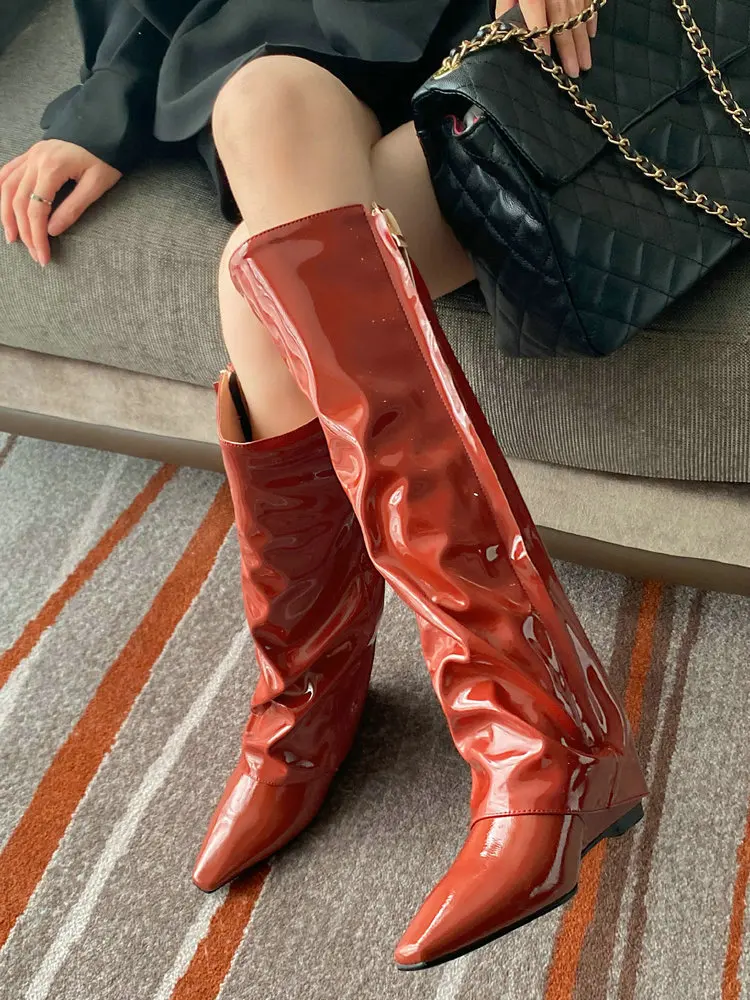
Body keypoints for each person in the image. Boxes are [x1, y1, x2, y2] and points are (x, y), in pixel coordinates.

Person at [0, 0, 645, 971]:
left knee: (257, 278)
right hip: (307, 37)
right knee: (260, 100)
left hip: (519, 32)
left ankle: (339, 704)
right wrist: (103, 108)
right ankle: (500, 726)